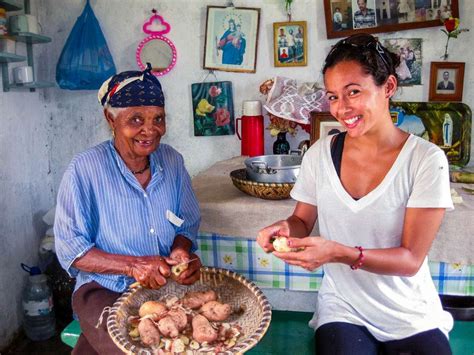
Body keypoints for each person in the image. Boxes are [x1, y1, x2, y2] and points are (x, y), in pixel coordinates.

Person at [257, 34, 453, 355]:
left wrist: (340, 253)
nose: (341, 108)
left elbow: (410, 261)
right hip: (344, 307)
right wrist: (284, 229)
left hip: (409, 311)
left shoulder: (425, 161)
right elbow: (301, 220)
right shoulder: (320, 154)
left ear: (388, 87)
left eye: (353, 92)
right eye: (333, 97)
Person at [54, 64, 202, 354]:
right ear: (110, 119)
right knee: (132, 348)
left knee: (185, 341)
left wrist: (181, 252)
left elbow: (186, 224)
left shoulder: (172, 162)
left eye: (158, 118)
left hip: (164, 287)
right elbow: (71, 250)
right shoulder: (85, 169)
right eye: (136, 119)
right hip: (104, 289)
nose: (150, 129)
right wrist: (133, 265)